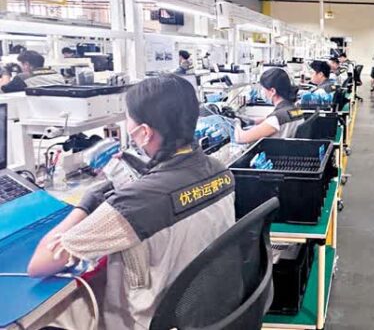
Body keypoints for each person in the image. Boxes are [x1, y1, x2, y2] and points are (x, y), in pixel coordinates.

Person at [27, 75, 236, 329]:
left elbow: (41, 263)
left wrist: (86, 204)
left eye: (128, 119)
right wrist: (151, 174)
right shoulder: (220, 170)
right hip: (204, 308)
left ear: (145, 132)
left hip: (152, 320)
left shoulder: (134, 204)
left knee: (56, 312)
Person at [235, 68, 304, 143]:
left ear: (272, 91)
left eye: (263, 89)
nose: (263, 93)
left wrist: (236, 122)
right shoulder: (295, 110)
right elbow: (273, 120)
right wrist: (252, 121)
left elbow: (241, 138)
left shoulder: (276, 118)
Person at [0, 50, 65, 93]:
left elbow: (3, 91)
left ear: (26, 64)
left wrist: (6, 74)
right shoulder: (57, 75)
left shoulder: (23, 78)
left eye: (21, 64)